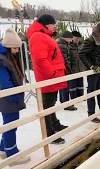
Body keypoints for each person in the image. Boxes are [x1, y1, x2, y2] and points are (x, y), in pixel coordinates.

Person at [0, 28, 31, 165]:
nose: (17, 51)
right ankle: (12, 155)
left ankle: (4, 149)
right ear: (8, 47)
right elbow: (5, 84)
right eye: (15, 48)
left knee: (9, 124)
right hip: (8, 99)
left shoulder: (5, 57)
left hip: (9, 99)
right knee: (11, 125)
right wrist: (15, 98)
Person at [27, 14, 68, 145]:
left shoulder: (43, 36)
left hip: (52, 77)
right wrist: (53, 73)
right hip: (48, 78)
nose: (55, 25)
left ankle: (54, 124)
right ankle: (49, 133)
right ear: (45, 24)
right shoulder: (38, 37)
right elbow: (41, 60)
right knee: (47, 106)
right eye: (53, 23)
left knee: (51, 103)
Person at [57, 31, 78, 111]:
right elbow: (65, 60)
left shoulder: (63, 44)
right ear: (66, 38)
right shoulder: (62, 46)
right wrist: (69, 70)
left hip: (63, 69)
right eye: (70, 39)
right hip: (64, 69)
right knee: (64, 86)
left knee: (64, 86)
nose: (70, 41)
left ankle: (64, 102)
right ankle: (65, 103)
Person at [69, 31, 85, 99]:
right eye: (76, 38)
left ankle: (81, 97)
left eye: (78, 38)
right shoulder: (69, 46)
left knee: (80, 85)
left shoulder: (81, 46)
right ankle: (74, 98)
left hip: (80, 68)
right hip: (72, 69)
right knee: (72, 85)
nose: (77, 40)